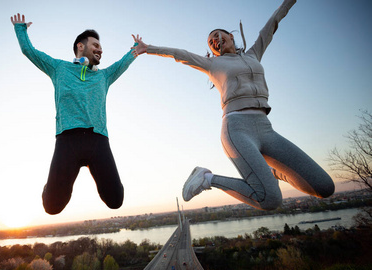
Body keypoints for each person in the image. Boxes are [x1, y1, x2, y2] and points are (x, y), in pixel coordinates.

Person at [132, 0, 334, 210]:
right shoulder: (213, 64)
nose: (215, 41)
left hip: (266, 128)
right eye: (211, 42)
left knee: (324, 186)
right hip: (236, 128)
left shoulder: (254, 54)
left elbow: (272, 23)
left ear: (231, 36)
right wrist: (148, 48)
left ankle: (269, 172)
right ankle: (207, 178)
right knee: (270, 200)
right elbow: (180, 54)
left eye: (218, 35)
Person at [11, 14, 141, 215]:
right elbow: (30, 51)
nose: (100, 49)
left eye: (101, 47)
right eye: (95, 45)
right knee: (52, 207)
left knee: (116, 200)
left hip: (98, 141)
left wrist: (135, 49)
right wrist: (21, 29)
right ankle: (50, 186)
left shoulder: (104, 76)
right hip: (67, 141)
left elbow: (123, 63)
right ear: (81, 46)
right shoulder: (59, 68)